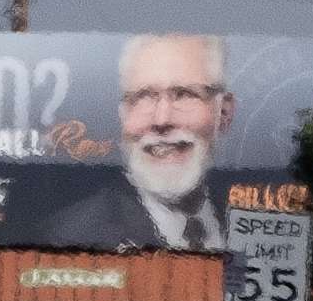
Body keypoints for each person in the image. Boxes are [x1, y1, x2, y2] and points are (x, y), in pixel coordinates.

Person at [46, 33, 234, 251]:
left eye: (184, 94)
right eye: (144, 97)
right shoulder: (70, 241)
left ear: (225, 112)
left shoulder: (253, 216)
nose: (162, 119)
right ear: (123, 114)